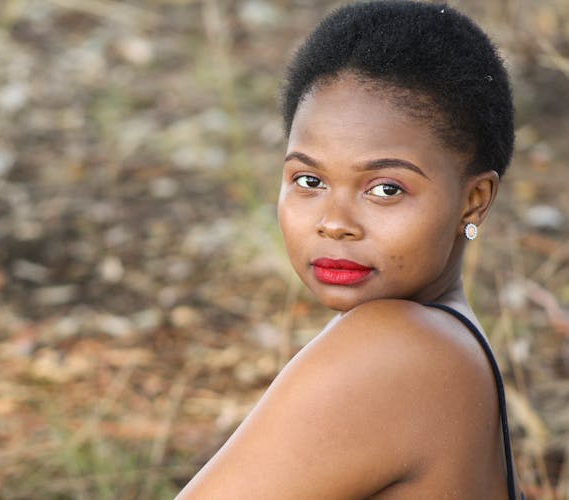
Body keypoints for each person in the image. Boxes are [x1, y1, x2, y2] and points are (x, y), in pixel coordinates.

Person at [177, 1, 524, 498]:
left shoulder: (398, 348)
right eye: (309, 179)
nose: (335, 224)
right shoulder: (454, 346)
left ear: (474, 201)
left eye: (385, 189)